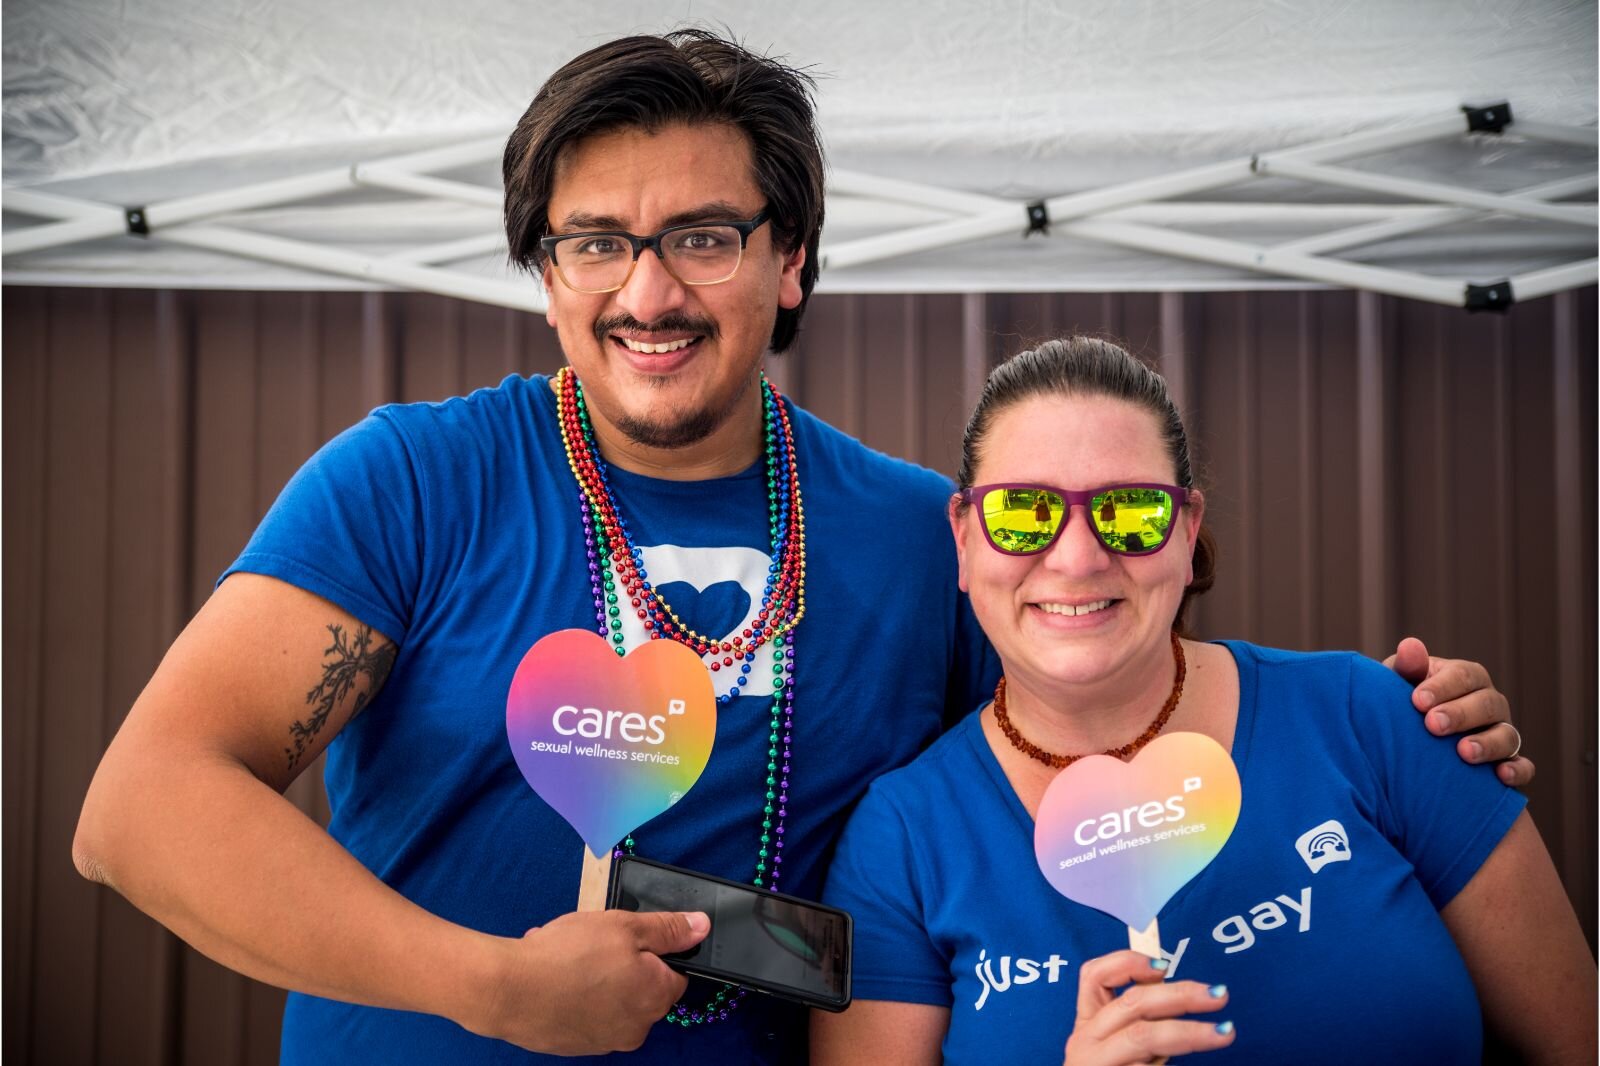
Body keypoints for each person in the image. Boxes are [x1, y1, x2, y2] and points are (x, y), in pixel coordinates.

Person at [71, 30, 1529, 1065]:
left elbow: (1078, 745)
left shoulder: (913, 534)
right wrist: (491, 986)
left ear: (792, 259)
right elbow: (142, 807)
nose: (648, 289)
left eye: (704, 235)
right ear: (543, 271)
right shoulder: (409, 481)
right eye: (594, 241)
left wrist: (1406, 731)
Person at [813, 338, 1595, 1065]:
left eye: (1131, 511)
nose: (1078, 556)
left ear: (1187, 531)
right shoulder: (903, 842)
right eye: (1023, 512)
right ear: (963, 538)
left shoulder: (1377, 720)